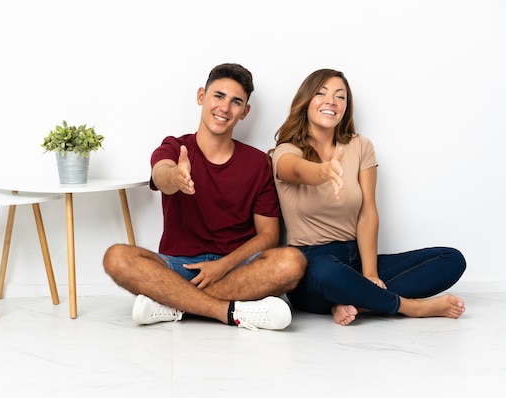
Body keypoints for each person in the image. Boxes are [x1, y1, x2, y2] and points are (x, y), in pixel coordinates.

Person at [103, 63, 307, 331]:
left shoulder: (258, 163)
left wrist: (223, 265)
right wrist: (175, 177)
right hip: (178, 266)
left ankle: (173, 303)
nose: (224, 107)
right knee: (116, 257)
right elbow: (161, 174)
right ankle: (228, 311)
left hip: (237, 268)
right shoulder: (175, 148)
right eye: (218, 96)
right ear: (202, 96)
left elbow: (268, 236)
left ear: (245, 112)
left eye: (236, 102)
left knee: (293, 262)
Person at [269, 68, 466, 326]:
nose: (331, 101)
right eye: (321, 93)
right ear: (306, 101)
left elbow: (368, 212)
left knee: (451, 259)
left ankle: (357, 303)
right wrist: (324, 170)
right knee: (326, 270)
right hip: (311, 265)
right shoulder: (286, 150)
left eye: (340, 96)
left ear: (346, 107)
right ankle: (409, 307)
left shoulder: (360, 145)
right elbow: (295, 169)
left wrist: (370, 273)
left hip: (355, 260)